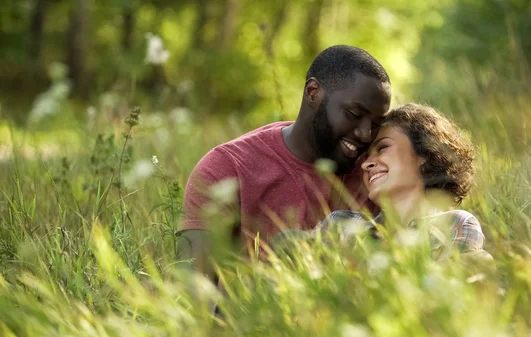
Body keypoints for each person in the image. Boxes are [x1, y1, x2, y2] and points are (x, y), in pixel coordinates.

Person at [177, 45, 393, 282]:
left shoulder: (375, 171)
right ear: (313, 92)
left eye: (376, 124)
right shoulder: (226, 168)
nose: (365, 134)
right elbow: (194, 292)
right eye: (354, 114)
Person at [272, 103, 492, 263]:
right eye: (366, 156)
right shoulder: (342, 224)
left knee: (480, 263)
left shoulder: (454, 224)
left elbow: (448, 290)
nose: (366, 164)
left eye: (383, 148)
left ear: (425, 153)